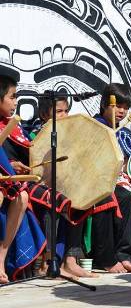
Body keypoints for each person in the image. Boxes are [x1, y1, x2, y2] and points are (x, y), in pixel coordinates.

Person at [29, 93, 96, 278]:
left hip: (65, 184)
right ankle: (50, 261)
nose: (64, 116)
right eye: (59, 111)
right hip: (40, 184)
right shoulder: (36, 135)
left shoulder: (71, 135)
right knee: (55, 201)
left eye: (66, 111)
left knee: (83, 197)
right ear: (44, 114)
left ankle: (70, 260)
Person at [0, 73, 45, 283]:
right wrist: (10, 168)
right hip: (7, 180)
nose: (15, 102)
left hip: (12, 180)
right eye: (12, 96)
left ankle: (60, 260)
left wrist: (14, 167)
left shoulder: (13, 125)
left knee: (23, 196)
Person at [89, 83, 131, 274]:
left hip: (115, 180)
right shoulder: (93, 125)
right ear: (104, 104)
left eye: (125, 108)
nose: (122, 111)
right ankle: (104, 257)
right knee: (110, 197)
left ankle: (123, 254)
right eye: (118, 106)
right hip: (94, 179)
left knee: (125, 195)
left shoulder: (123, 131)